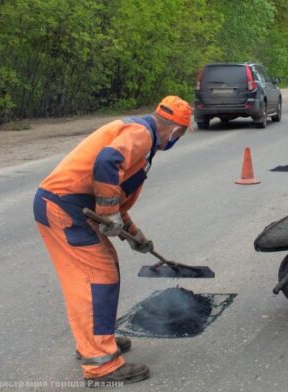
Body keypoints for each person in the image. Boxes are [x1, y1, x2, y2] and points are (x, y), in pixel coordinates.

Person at [33, 96, 193, 385]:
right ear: (176, 130)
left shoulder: (141, 135)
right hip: (64, 207)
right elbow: (107, 163)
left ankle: (97, 341)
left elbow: (114, 195)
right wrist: (108, 214)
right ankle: (100, 365)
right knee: (97, 278)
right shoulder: (143, 133)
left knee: (100, 272)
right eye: (181, 134)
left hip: (68, 206)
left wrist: (134, 235)